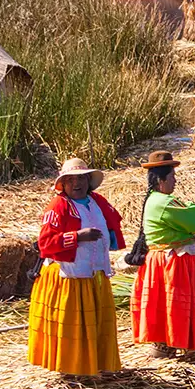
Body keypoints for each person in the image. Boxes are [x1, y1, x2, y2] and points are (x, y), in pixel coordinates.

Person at [27, 158, 126, 376]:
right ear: (63, 185)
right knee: (74, 325)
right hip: (69, 276)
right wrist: (77, 237)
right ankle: (71, 369)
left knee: (95, 323)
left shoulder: (97, 202)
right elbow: (45, 243)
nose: (76, 184)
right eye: (70, 180)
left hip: (95, 273)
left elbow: (112, 228)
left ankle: (95, 364)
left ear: (89, 181)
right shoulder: (58, 206)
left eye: (81, 178)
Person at [127, 151, 195, 356]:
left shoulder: (157, 200)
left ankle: (169, 345)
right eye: (172, 177)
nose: (175, 181)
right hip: (171, 263)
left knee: (169, 304)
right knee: (174, 304)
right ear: (161, 179)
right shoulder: (163, 202)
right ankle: (173, 344)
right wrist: (194, 209)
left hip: (168, 260)